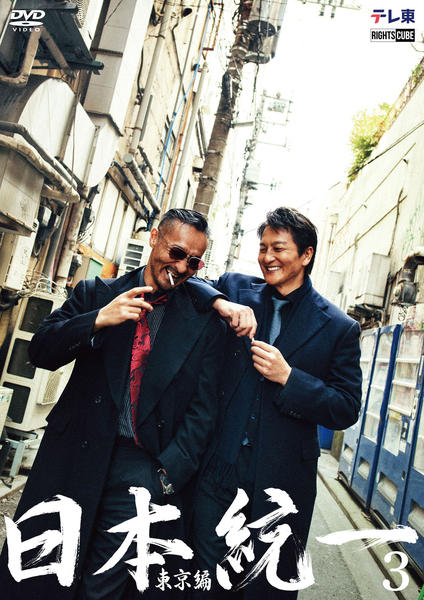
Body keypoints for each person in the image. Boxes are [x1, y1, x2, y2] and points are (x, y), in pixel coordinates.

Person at [0, 209, 226, 600]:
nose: (181, 267)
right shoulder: (96, 294)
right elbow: (41, 351)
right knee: (45, 571)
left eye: (193, 262)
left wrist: (165, 475)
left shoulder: (202, 321)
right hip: (75, 456)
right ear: (153, 238)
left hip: (141, 471)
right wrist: (97, 320)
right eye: (175, 252)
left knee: (102, 585)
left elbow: (203, 411)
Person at [189, 206, 362, 599]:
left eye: (278, 248)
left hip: (281, 486)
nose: (267, 257)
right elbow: (191, 284)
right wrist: (222, 304)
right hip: (219, 473)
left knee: (267, 586)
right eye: (263, 247)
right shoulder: (236, 289)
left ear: (306, 254)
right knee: (206, 581)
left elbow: (346, 407)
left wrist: (290, 378)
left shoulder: (338, 327)